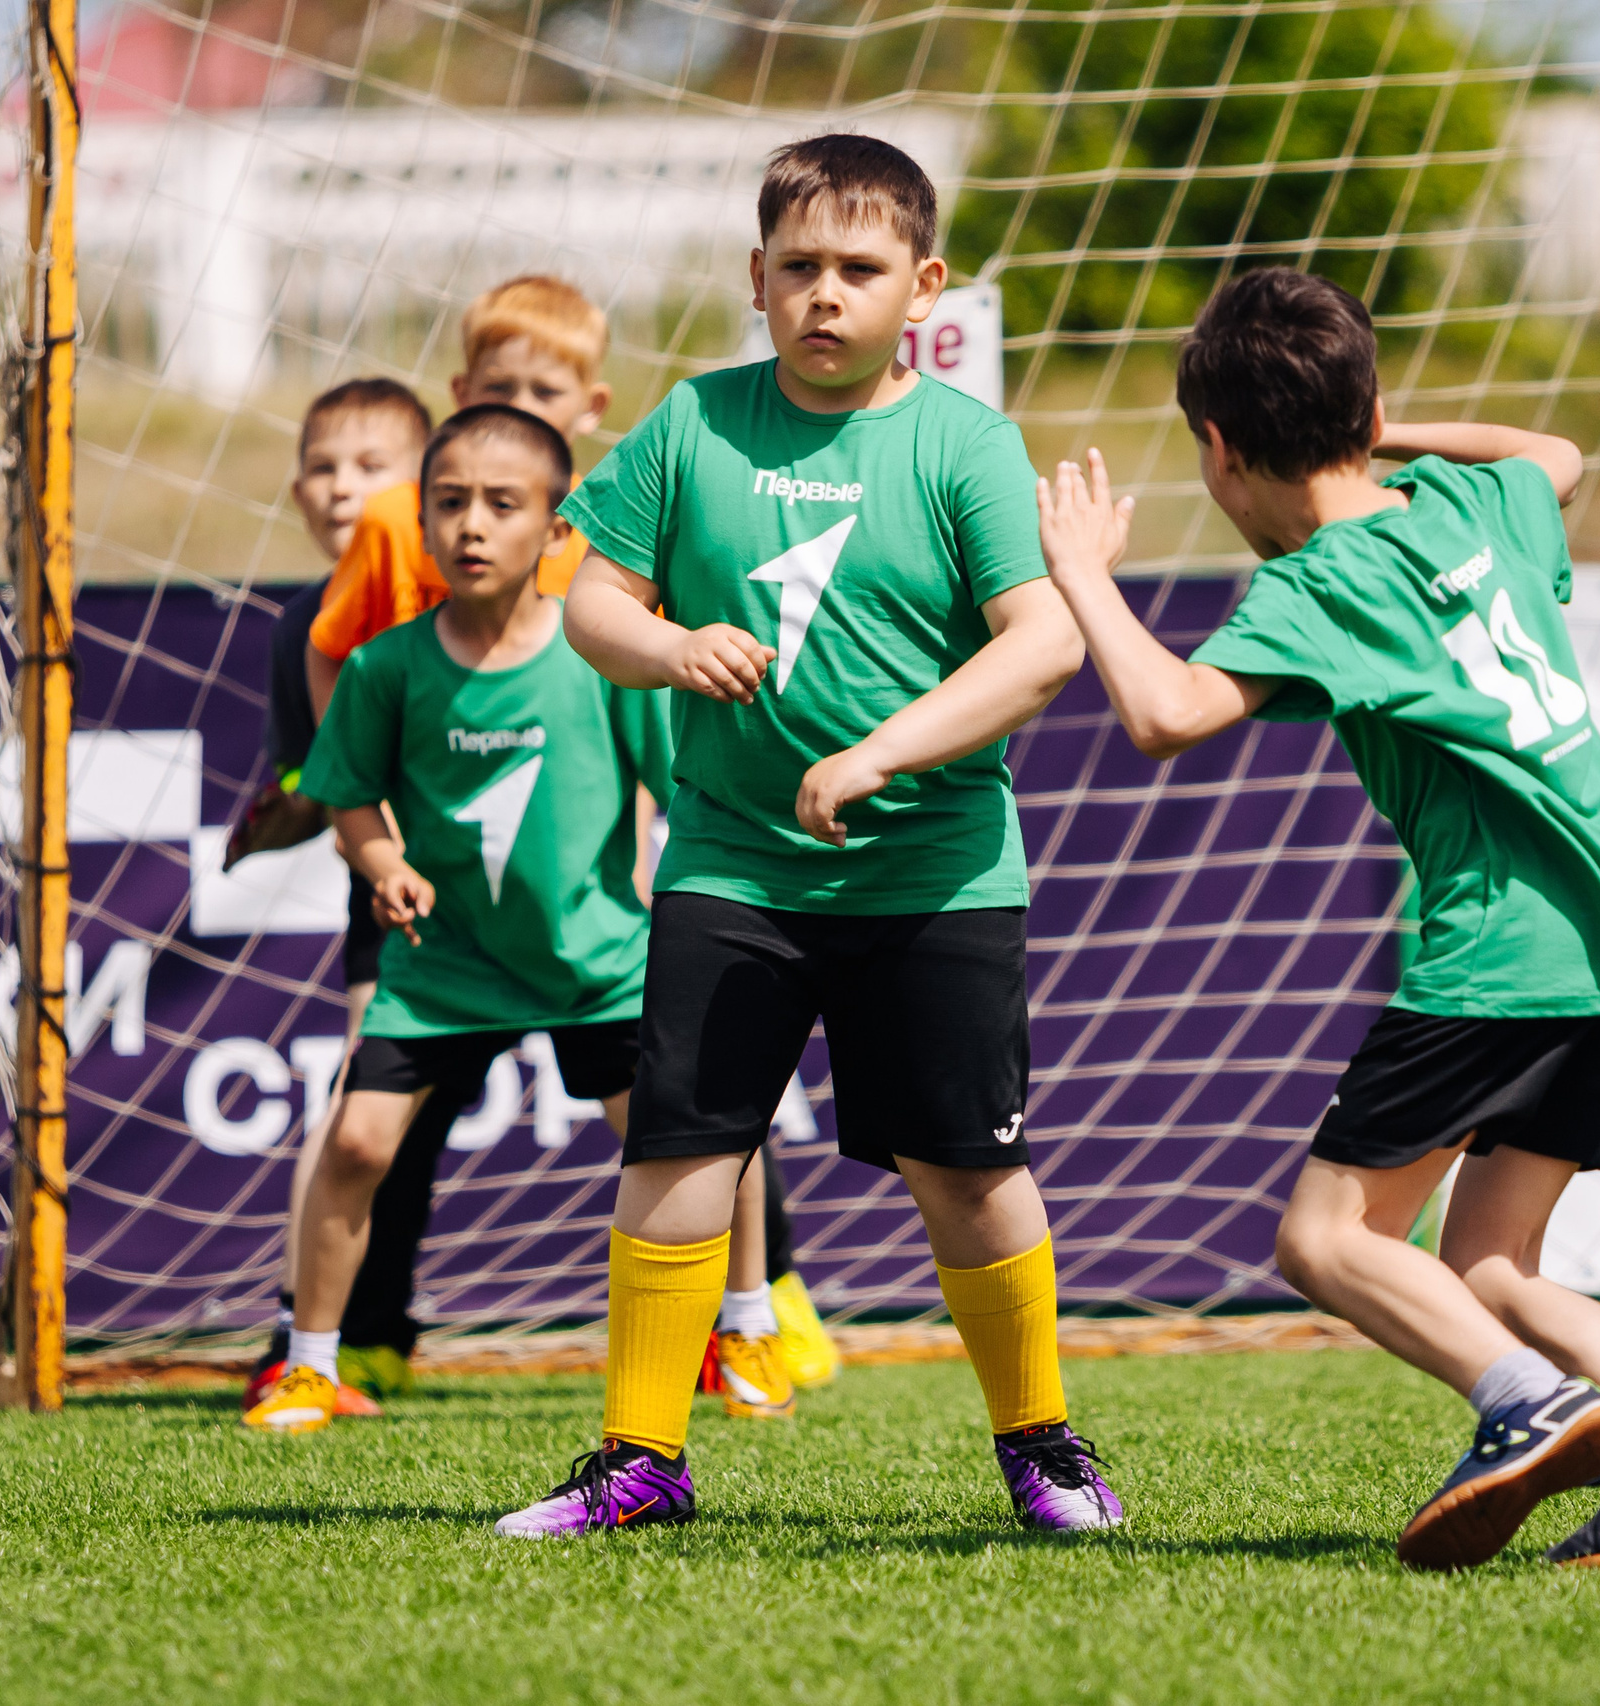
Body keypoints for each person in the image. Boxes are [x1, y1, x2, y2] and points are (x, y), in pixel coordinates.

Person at [1036, 267, 1600, 1571]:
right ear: (1367, 408)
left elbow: (1163, 714)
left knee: (1325, 1238)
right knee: (1489, 1260)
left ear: (1220, 449)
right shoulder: (1475, 496)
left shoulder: (1321, 581)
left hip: (1501, 948)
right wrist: (1387, 429)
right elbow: (1557, 446)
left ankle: (1525, 1404)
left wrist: (1085, 573)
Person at [499, 133, 1117, 1539]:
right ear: (756, 279)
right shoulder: (691, 422)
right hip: (732, 863)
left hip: (937, 871)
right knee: (676, 1154)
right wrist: (664, 645)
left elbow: (1044, 645)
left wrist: (881, 752)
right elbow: (589, 599)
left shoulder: (967, 441)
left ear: (925, 283)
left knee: (968, 1168)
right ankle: (641, 1461)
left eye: (859, 268)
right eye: (798, 269)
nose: (825, 295)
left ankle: (1043, 1446)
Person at [244, 404, 667, 1433]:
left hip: (593, 961)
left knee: (681, 1147)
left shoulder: (605, 656)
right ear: (420, 525)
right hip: (440, 969)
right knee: (354, 1143)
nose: (472, 525)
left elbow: (677, 788)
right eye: (448, 504)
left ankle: (734, 1327)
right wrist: (381, 858)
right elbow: (345, 792)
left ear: (557, 529)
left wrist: (671, 884)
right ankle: (308, 1363)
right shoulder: (387, 666)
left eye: (501, 504)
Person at [228, 376, 431, 1417]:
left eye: (371, 465)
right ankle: (297, 1340)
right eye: (321, 464)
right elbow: (325, 784)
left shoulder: (486, 586)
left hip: (551, 901)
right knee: (359, 1117)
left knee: (667, 1107)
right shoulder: (302, 625)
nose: (341, 486)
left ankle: (740, 1319)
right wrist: (301, 813)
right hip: (398, 906)